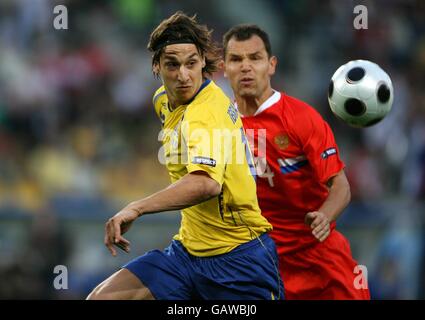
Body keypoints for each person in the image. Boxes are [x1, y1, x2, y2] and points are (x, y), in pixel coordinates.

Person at [87, 13, 283, 300]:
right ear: (156, 66)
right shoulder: (163, 101)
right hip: (187, 253)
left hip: (239, 259)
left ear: (203, 62)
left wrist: (136, 208)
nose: (183, 75)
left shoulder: (206, 111)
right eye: (172, 65)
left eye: (191, 64)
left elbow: (206, 184)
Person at [222, 24, 370, 300]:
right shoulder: (220, 124)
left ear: (272, 65)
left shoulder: (302, 118)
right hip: (264, 267)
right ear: (224, 66)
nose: (245, 67)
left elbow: (341, 186)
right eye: (236, 59)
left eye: (255, 58)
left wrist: (325, 216)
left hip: (321, 261)